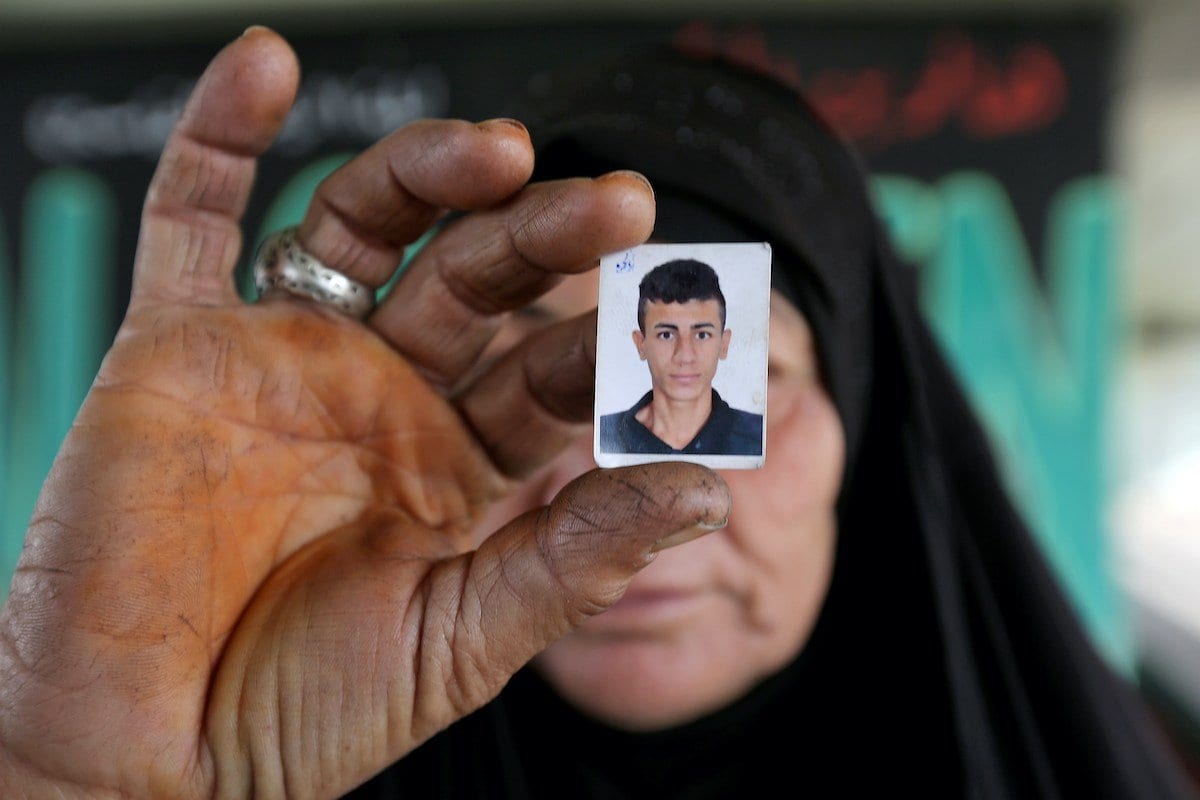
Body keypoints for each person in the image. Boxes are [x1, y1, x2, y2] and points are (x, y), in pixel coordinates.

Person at [0, 26, 1193, 800]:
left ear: (865, 438)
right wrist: (75, 780)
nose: (601, 487)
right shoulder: (273, 757)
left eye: (740, 378)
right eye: (544, 378)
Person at [599, 258, 763, 456]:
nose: (685, 356)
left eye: (702, 335)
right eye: (666, 335)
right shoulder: (603, 435)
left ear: (724, 343)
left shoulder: (759, 436)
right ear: (640, 343)